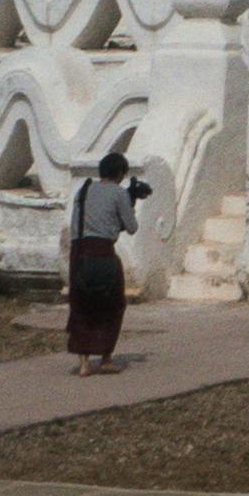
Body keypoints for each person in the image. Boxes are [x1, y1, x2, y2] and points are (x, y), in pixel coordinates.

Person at [65, 145, 155, 372]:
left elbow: (77, 226)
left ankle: (84, 362)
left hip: (80, 255)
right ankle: (105, 358)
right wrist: (129, 201)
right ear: (121, 174)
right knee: (112, 304)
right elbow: (131, 227)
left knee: (83, 305)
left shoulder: (83, 191)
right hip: (104, 255)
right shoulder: (118, 193)